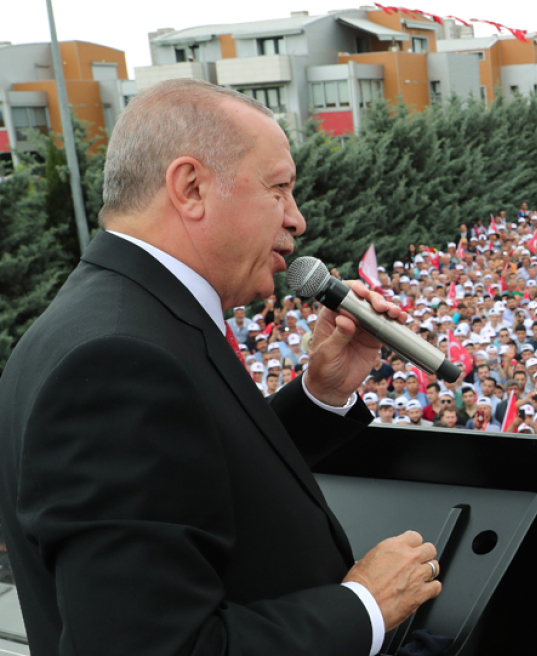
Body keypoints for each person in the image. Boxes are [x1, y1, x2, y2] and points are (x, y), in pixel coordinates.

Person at [0, 78, 440, 656]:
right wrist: (364, 605)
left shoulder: (117, 318)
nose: (297, 220)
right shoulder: (117, 362)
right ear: (191, 188)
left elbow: (194, 476)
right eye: (279, 189)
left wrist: (320, 394)